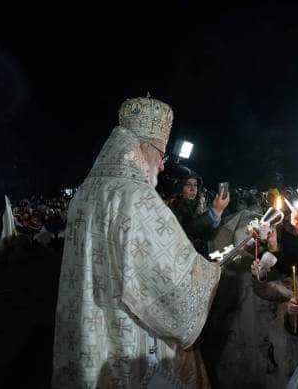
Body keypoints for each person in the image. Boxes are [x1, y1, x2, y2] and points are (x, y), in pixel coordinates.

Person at [52, 96, 221, 388]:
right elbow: (171, 287)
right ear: (141, 147)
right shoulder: (136, 197)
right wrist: (212, 272)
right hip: (133, 338)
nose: (161, 165)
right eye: (160, 153)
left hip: (92, 334)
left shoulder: (85, 192)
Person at [169, 167, 230, 256]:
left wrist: (217, 215)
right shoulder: (174, 206)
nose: (193, 189)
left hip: (199, 253)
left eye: (195, 185)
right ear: (181, 188)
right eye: (188, 184)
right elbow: (187, 231)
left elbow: (208, 237)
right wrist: (214, 212)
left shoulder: (201, 205)